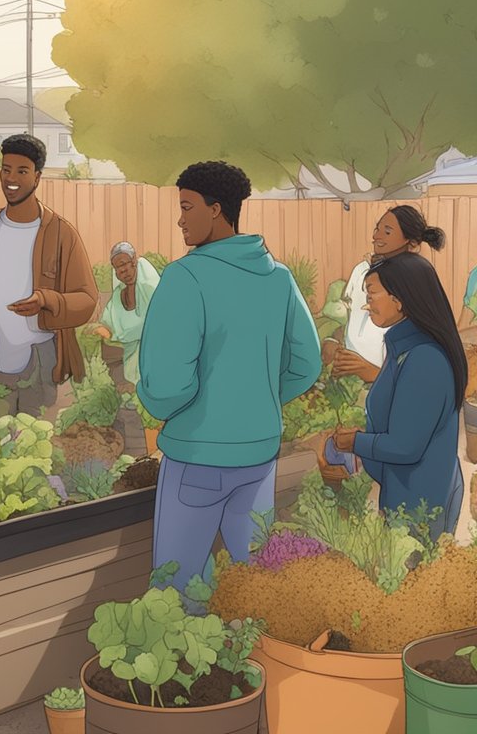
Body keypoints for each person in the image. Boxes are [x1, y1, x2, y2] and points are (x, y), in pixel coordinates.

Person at [139, 161, 321, 594]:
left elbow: (165, 385)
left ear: (216, 209)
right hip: (259, 455)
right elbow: (306, 363)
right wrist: (257, 397)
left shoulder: (186, 277)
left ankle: (190, 661)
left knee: (177, 588)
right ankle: (255, 660)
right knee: (256, 582)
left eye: (187, 207)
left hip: (197, 454)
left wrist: (169, 408)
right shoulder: (278, 278)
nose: (180, 219)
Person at [0, 133, 99, 414]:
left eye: (21, 171)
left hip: (39, 360)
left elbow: (87, 299)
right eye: (6, 170)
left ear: (37, 177)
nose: (11, 178)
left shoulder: (61, 234)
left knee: (35, 446)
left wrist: (47, 300)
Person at [333, 253, 465, 540]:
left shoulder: (424, 359)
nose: (367, 304)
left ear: (400, 298)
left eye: (372, 293)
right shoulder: (404, 348)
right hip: (406, 494)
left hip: (421, 505)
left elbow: (405, 446)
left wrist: (356, 442)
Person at [335, 206, 446, 382]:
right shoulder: (362, 270)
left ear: (411, 242)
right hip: (352, 376)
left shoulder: (415, 278)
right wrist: (333, 341)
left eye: (387, 232)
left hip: (388, 380)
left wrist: (373, 372)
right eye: (377, 229)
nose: (376, 236)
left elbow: (420, 364)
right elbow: (353, 316)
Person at [94, 242, 160, 386]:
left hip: (152, 351)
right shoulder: (119, 295)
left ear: (134, 262)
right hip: (126, 354)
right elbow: (108, 322)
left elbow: (156, 323)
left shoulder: (149, 289)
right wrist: (103, 330)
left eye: (125, 264)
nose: (123, 271)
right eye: (118, 268)